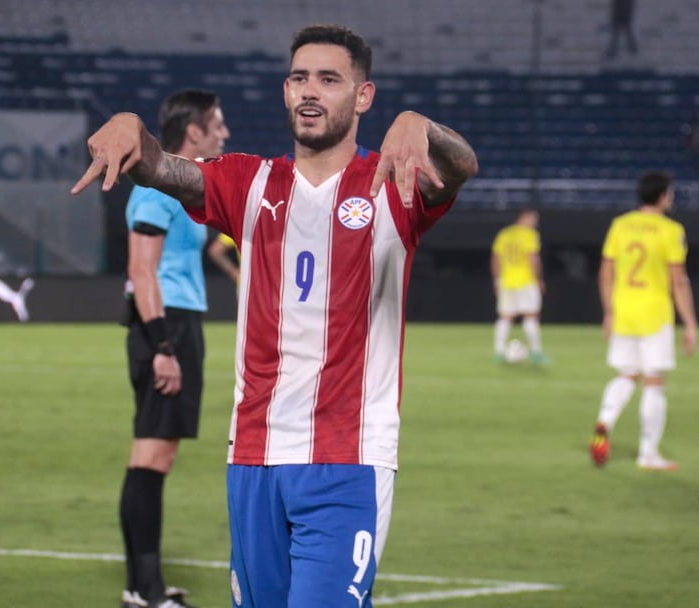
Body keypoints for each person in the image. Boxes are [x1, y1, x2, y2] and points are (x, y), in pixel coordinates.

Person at [72, 23, 477, 608]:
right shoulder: (248, 181)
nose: (309, 91)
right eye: (298, 78)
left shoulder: (394, 184)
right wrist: (133, 130)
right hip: (255, 454)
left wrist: (423, 125)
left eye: (329, 80)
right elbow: (163, 169)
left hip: (348, 457)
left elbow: (461, 166)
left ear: (363, 97)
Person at [118, 89, 230, 608]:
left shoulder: (182, 186)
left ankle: (144, 586)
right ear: (194, 132)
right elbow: (141, 271)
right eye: (217, 125)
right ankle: (146, 591)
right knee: (151, 455)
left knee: (156, 455)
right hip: (164, 326)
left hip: (177, 322)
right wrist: (162, 345)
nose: (223, 133)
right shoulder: (154, 188)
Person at [589, 170, 696, 471]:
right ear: (663, 195)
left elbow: (605, 273)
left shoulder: (620, 226)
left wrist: (608, 312)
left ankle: (604, 422)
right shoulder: (670, 230)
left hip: (624, 311)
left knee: (626, 375)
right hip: (654, 313)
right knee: (654, 382)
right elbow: (679, 280)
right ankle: (648, 453)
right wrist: (690, 322)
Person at [490, 207, 547, 364]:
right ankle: (536, 353)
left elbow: (495, 259)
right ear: (524, 217)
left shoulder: (504, 234)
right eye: (533, 219)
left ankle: (499, 351)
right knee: (531, 315)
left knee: (505, 317)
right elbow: (533, 258)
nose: (535, 223)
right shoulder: (529, 235)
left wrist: (497, 280)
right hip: (526, 281)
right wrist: (539, 279)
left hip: (506, 282)